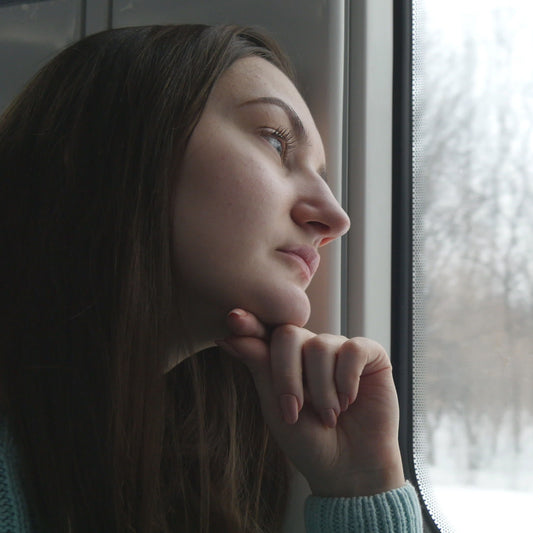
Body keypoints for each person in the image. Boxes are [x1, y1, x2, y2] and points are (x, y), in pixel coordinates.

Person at [0, 24, 422, 532]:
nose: (335, 216)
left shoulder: (165, 466)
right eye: (274, 140)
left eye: (323, 173)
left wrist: (361, 485)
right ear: (102, 147)